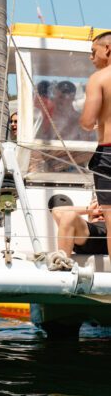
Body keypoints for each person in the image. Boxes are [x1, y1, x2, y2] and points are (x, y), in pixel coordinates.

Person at [80, 30, 111, 258]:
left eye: (93, 52)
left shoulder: (99, 79)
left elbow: (87, 123)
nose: (91, 58)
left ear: (107, 50)